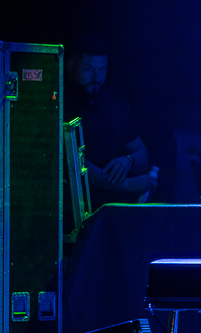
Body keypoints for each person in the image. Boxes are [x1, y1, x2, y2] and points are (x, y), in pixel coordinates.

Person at [64, 34, 158, 208]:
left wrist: (128, 161)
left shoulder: (114, 103)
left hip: (114, 211)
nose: (96, 77)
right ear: (71, 66)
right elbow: (73, 164)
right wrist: (128, 185)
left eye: (102, 69)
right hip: (76, 211)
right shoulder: (61, 105)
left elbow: (141, 151)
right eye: (89, 69)